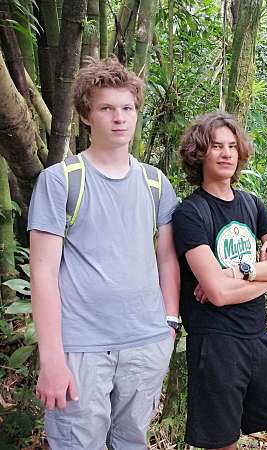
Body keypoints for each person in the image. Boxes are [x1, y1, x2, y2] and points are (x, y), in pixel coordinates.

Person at [28, 57, 180, 449]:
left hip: (146, 342)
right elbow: (43, 272)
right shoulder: (61, 180)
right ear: (85, 115)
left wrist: (169, 323)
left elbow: (167, 258)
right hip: (81, 347)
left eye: (127, 108)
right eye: (106, 108)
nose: (119, 118)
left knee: (131, 441)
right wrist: (52, 358)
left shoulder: (154, 182)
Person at [172, 112, 267, 450]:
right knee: (223, 442)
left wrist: (241, 273)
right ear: (200, 153)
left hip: (257, 334)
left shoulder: (251, 204)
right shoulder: (190, 213)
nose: (227, 153)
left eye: (232, 146)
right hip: (216, 341)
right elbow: (216, 293)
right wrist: (264, 277)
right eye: (216, 146)